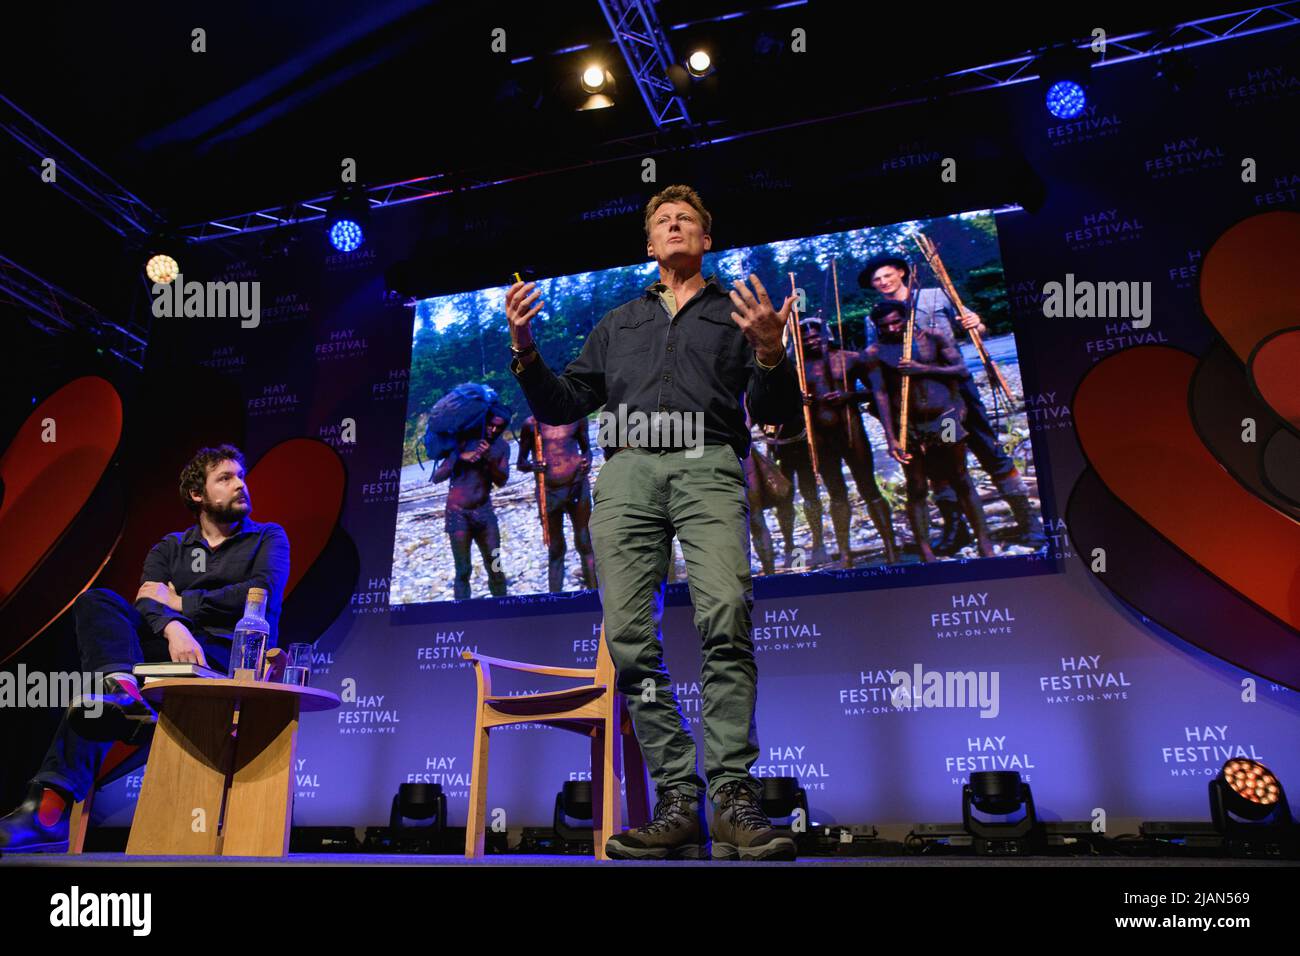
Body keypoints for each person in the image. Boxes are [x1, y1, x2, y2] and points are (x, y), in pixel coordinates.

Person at [505, 184, 803, 861]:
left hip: (707, 462)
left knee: (726, 610)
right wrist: (524, 348)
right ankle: (677, 796)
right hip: (630, 472)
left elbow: (776, 411)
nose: (674, 225)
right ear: (649, 244)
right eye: (662, 220)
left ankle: (731, 796)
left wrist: (768, 352)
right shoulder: (616, 324)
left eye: (687, 219)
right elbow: (563, 405)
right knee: (630, 641)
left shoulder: (738, 313)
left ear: (705, 239)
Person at [0, 444, 290, 852]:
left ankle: (49, 811)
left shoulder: (267, 538)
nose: (240, 484)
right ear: (197, 495)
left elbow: (260, 594)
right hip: (166, 653)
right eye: (225, 478)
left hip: (227, 657)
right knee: (96, 602)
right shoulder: (170, 548)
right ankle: (120, 691)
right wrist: (174, 627)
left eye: (241, 476)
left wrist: (181, 603)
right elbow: (146, 602)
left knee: (94, 694)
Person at [860, 254, 1045, 551]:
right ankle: (956, 531)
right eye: (876, 281)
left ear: (902, 273)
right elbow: (876, 358)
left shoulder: (934, 296)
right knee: (938, 464)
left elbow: (975, 330)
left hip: (955, 387)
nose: (882, 283)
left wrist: (978, 323)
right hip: (920, 403)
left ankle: (1029, 523)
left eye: (886, 276)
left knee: (987, 447)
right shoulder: (877, 316)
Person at [863, 300, 994, 560]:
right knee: (917, 485)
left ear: (907, 318)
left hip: (944, 418)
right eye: (884, 325)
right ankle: (926, 551)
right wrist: (891, 438)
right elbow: (880, 395)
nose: (891, 328)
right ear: (876, 327)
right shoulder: (875, 352)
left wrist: (922, 369)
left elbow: (960, 369)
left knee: (960, 478)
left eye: (896, 322)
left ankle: (984, 542)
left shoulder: (933, 338)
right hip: (908, 427)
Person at [794, 315, 900, 566]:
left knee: (869, 488)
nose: (811, 340)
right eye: (805, 337)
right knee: (836, 494)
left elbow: (878, 391)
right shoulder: (796, 367)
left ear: (826, 334)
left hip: (852, 434)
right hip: (819, 440)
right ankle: (845, 553)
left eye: (815, 335)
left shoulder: (850, 358)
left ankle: (890, 547)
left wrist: (848, 395)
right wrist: (800, 402)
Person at [433, 412, 510, 600]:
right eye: (491, 425)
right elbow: (437, 477)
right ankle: (463, 617)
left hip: (485, 513)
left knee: (495, 565)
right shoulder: (462, 442)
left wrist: (489, 459)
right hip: (458, 515)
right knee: (463, 570)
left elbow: (502, 481)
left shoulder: (501, 447)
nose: (494, 430)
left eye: (499, 427)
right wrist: (460, 457)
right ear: (484, 423)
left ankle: (503, 611)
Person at [516, 415, 598, 592]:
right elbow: (520, 463)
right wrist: (533, 466)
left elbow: (587, 451)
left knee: (585, 542)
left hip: (577, 486)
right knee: (555, 549)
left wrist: (587, 462)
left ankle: (595, 597)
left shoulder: (577, 418)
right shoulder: (532, 425)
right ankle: (555, 602)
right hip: (549, 492)